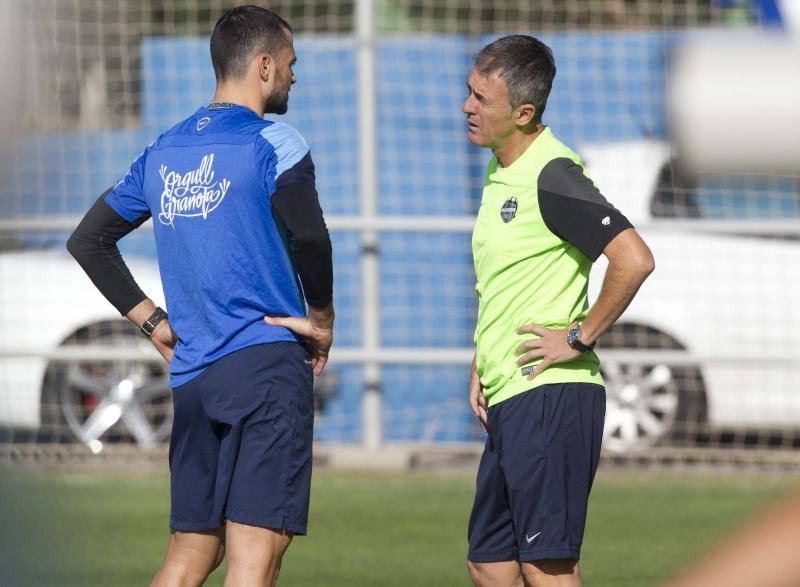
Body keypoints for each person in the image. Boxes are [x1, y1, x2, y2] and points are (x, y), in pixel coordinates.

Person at [67, 6, 334, 586]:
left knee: (189, 558)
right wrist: (321, 319)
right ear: (264, 66)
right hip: (264, 366)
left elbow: (89, 240)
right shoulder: (275, 141)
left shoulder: (164, 149)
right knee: (254, 558)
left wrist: (152, 323)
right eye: (290, 64)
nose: (294, 77)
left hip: (192, 376)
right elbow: (310, 234)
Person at [463, 35, 655, 587]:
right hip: (512, 391)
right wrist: (485, 358)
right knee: (490, 563)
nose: (466, 107)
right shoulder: (501, 172)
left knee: (546, 569)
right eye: (468, 91)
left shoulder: (553, 174)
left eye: (482, 99)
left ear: (524, 113)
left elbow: (633, 259)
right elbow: (512, 279)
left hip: (552, 395)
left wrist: (578, 337)